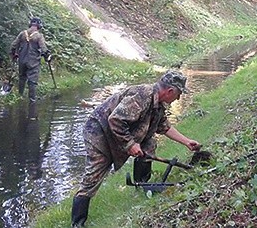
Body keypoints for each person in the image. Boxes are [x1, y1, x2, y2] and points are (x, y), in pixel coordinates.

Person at [71, 71, 201, 227]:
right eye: (179, 94)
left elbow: (164, 127)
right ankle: (77, 223)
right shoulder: (142, 96)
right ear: (170, 91)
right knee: (94, 175)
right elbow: (116, 120)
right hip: (99, 133)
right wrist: (130, 144)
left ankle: (141, 185)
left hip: (119, 132)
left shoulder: (158, 104)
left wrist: (187, 142)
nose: (178, 98)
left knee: (149, 143)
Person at [10, 17, 52, 102]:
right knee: (32, 81)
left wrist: (14, 54)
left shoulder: (22, 34)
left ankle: (20, 96)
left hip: (22, 61)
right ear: (39, 26)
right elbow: (43, 49)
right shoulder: (39, 36)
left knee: (22, 77)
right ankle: (32, 100)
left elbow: (13, 45)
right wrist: (47, 56)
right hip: (33, 62)